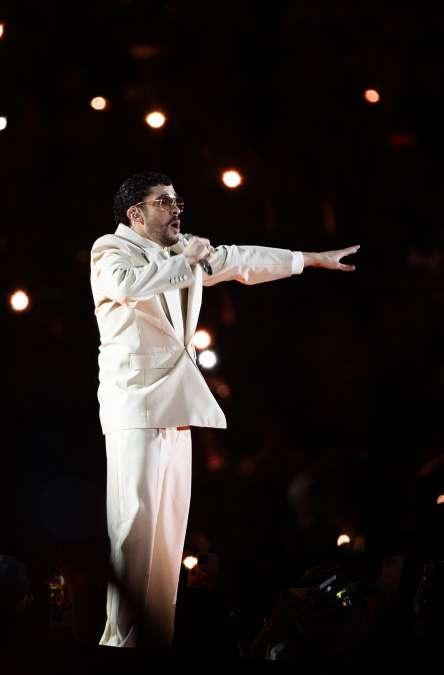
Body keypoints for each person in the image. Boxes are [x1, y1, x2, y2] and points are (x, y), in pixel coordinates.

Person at [90, 170, 360, 648]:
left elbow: (240, 260)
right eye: (164, 202)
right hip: (135, 405)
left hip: (175, 405)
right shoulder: (110, 250)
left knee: (169, 536)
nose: (176, 209)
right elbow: (129, 285)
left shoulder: (182, 250)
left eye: (177, 201)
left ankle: (154, 642)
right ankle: (119, 644)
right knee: (134, 529)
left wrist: (308, 260)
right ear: (136, 214)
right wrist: (186, 260)